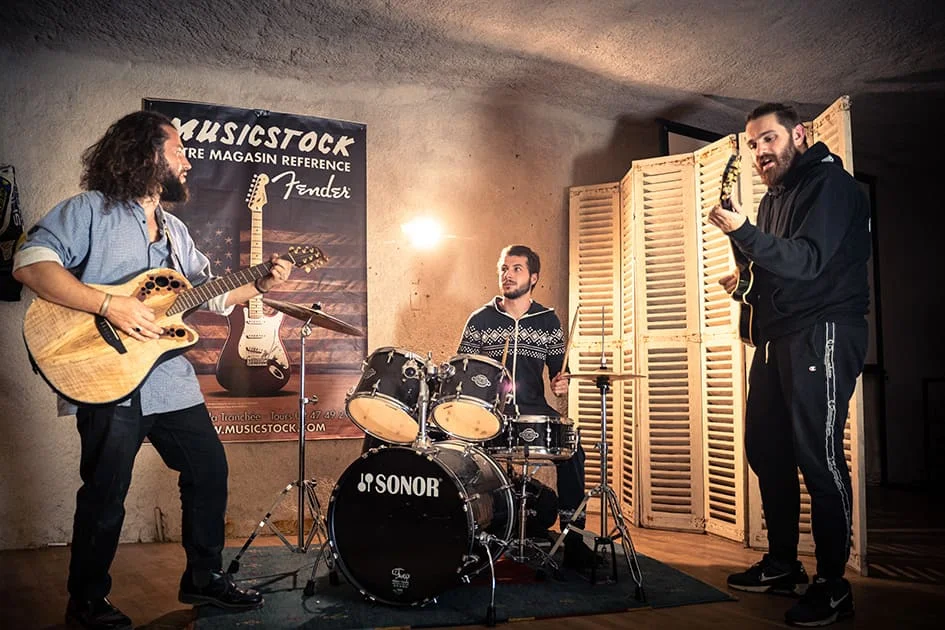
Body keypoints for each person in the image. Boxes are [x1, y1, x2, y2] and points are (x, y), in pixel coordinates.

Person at [13, 111, 294, 630]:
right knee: (105, 493)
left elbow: (210, 294)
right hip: (104, 375)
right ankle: (87, 603)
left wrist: (261, 282)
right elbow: (30, 263)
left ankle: (204, 579)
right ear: (146, 154)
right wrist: (108, 305)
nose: (189, 161)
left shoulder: (175, 230)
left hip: (168, 379)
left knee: (208, 471)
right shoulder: (89, 211)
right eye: (179, 150)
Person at [707, 103, 870, 627]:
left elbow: (806, 260)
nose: (761, 152)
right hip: (778, 337)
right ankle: (783, 564)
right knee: (765, 449)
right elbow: (775, 270)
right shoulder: (778, 197)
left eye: (769, 139)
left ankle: (833, 584)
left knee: (819, 457)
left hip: (822, 331)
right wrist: (745, 280)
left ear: (798, 134)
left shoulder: (830, 186)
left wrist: (744, 231)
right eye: (753, 144)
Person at [456, 244, 597, 570]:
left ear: (533, 277)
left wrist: (562, 382)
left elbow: (560, 371)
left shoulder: (548, 321)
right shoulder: (480, 319)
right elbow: (463, 369)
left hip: (534, 407)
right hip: (490, 411)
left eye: (516, 269)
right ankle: (471, 533)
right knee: (461, 455)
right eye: (504, 268)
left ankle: (573, 539)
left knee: (573, 450)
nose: (507, 275)